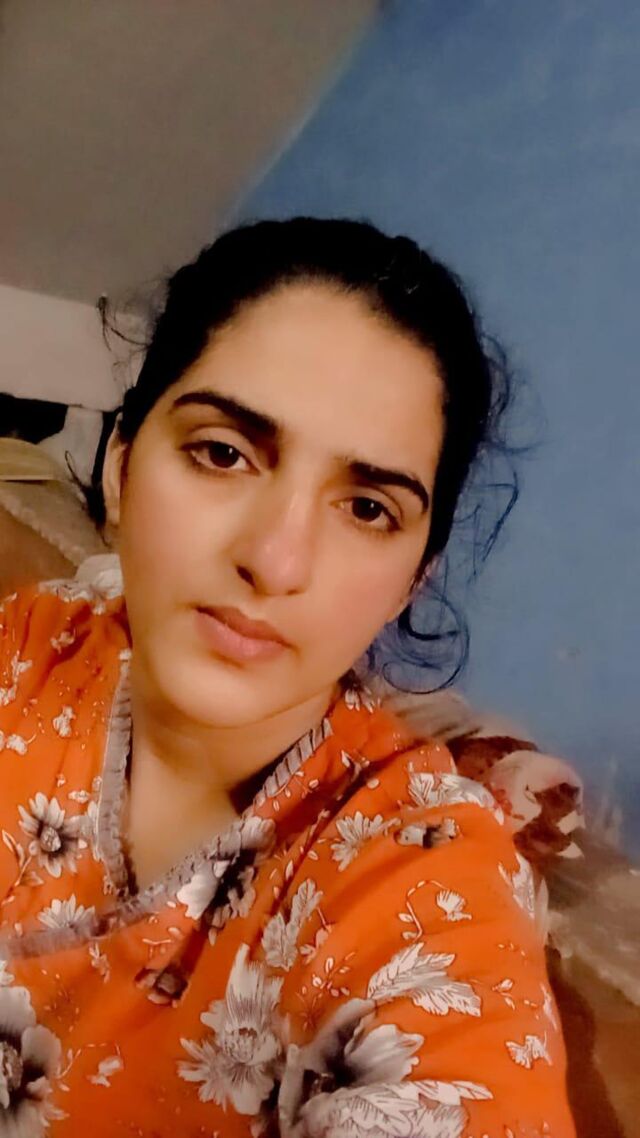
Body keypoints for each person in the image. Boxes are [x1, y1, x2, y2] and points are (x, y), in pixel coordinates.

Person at [0, 218, 576, 1137]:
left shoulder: (427, 880)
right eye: (223, 453)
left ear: (411, 581)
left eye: (367, 508)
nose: (274, 560)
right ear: (120, 466)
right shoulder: (26, 657)